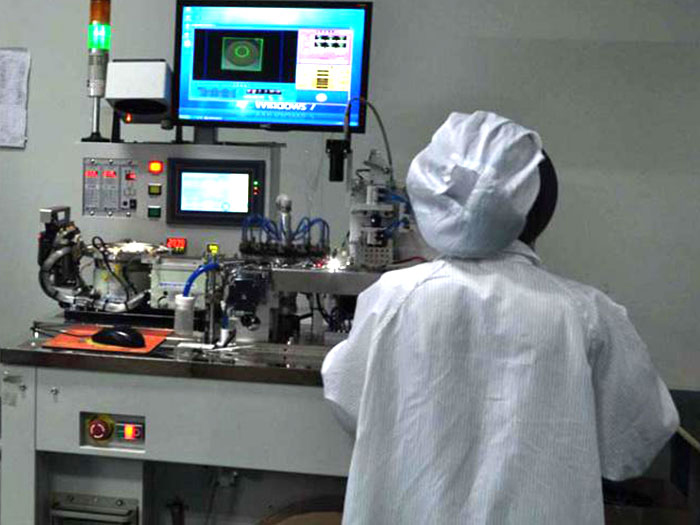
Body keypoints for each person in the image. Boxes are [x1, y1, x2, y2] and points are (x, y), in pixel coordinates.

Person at [321, 111, 679, 524]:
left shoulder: (392, 300)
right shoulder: (586, 314)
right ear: (541, 211)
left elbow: (348, 399)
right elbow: (633, 444)